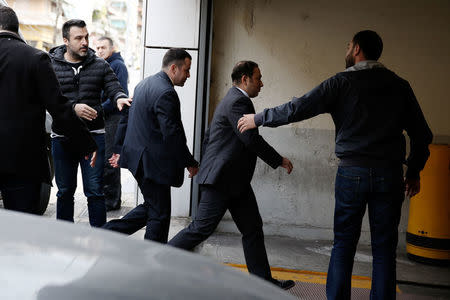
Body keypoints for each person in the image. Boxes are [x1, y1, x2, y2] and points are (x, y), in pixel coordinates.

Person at [237, 30, 433, 299]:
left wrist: (259, 118)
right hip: (390, 175)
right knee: (385, 249)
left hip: (352, 173)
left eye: (349, 45)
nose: (347, 49)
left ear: (357, 50)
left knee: (343, 245)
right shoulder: (400, 85)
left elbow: (299, 107)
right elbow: (423, 135)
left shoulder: (340, 83)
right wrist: (413, 170)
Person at [168, 61, 295, 290]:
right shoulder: (239, 101)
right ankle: (158, 259)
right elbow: (250, 139)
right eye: (258, 78)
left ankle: (263, 282)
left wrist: (204, 165)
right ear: (245, 79)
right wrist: (279, 160)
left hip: (234, 182)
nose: (262, 83)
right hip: (222, 181)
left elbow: (209, 137)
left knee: (252, 229)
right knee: (200, 229)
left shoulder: (231, 99)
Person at [0, 7, 97, 214]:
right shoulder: (35, 58)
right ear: (15, 28)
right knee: (22, 230)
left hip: (20, 162)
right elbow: (59, 109)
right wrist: (87, 143)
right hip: (23, 163)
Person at [103, 48, 199, 243]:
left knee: (153, 207)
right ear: (174, 68)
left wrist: (119, 149)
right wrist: (189, 161)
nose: (189, 75)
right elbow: (173, 134)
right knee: (160, 214)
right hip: (152, 164)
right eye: (187, 70)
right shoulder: (166, 92)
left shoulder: (144, 84)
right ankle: (152, 259)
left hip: (139, 161)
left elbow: (126, 118)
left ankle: (107, 232)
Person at [49, 19, 131, 227]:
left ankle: (99, 237)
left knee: (95, 191)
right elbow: (46, 98)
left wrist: (119, 96)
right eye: (79, 38)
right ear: (66, 40)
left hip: (94, 138)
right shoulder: (50, 65)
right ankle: (64, 237)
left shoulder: (100, 64)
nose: (85, 42)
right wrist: (72, 108)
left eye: (86, 37)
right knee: (64, 191)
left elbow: (114, 86)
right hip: (62, 137)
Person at [96, 36, 129, 211]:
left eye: (103, 47)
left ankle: (112, 201)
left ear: (112, 48)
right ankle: (107, 198)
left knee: (111, 161)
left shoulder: (118, 65)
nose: (99, 51)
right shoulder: (104, 64)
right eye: (98, 48)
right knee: (103, 160)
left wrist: (98, 109)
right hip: (104, 117)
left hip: (114, 118)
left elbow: (120, 94)